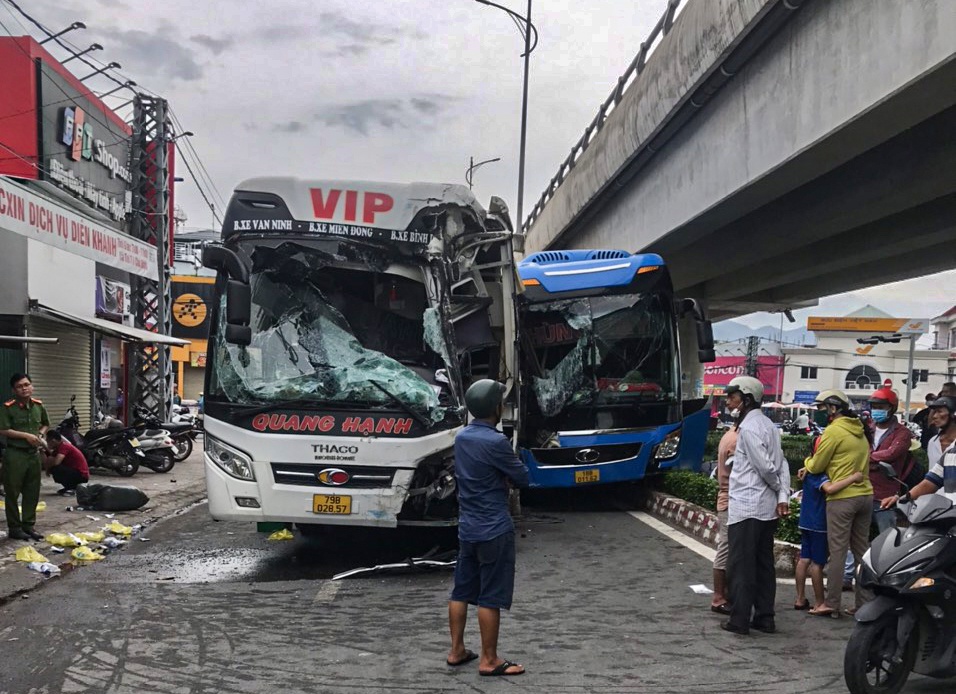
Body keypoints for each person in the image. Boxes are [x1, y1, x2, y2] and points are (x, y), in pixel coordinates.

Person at [447, 379, 529, 676]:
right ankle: (489, 659)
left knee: (461, 591)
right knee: (490, 596)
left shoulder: (462, 438)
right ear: (496, 407)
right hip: (493, 527)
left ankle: (456, 650)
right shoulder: (496, 442)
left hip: (467, 527)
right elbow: (522, 477)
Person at [721, 376, 791, 635]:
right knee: (763, 566)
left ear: (747, 398)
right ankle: (765, 617)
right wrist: (782, 495)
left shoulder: (749, 429)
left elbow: (767, 467)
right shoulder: (769, 426)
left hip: (748, 506)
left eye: (733, 396)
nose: (729, 401)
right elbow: (781, 463)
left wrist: (778, 488)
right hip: (765, 509)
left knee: (741, 565)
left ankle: (739, 620)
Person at [804, 389, 873, 617]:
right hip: (865, 496)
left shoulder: (833, 431)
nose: (820, 413)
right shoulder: (860, 431)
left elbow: (816, 465)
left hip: (842, 499)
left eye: (822, 408)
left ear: (833, 408)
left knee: (838, 553)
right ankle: (863, 604)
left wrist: (806, 462)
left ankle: (831, 603)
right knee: (862, 553)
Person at [794, 459, 864, 612]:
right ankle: (820, 602)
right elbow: (830, 489)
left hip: (805, 521)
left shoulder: (808, 471)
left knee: (804, 559)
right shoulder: (818, 473)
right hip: (819, 524)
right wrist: (853, 478)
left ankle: (800, 599)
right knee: (817, 564)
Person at [880, 395, 956, 508]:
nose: (934, 416)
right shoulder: (950, 453)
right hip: (944, 510)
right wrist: (902, 498)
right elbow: (930, 482)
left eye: (939, 411)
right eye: (933, 412)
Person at [0, 374, 50, 541]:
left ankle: (28, 526)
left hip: (33, 456)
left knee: (32, 491)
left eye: (27, 384)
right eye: (20, 386)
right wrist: (26, 436)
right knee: (12, 492)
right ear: (14, 390)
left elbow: (45, 423)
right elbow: (4, 429)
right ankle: (14, 528)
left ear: (32, 386)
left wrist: (40, 434)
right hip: (15, 454)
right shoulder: (8, 407)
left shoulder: (38, 406)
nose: (24, 388)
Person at [710, 426, 737, 615]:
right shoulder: (736, 440)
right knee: (726, 549)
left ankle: (726, 594)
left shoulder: (729, 435)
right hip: (730, 501)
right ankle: (719, 597)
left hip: (727, 500)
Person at [43, 430, 89, 495]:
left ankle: (73, 488)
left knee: (56, 469)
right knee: (52, 465)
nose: (48, 444)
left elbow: (56, 462)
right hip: (75, 473)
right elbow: (47, 462)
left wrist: (49, 466)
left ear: (53, 441)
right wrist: (42, 452)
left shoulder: (64, 446)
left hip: (81, 475)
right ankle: (69, 487)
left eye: (48, 442)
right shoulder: (57, 448)